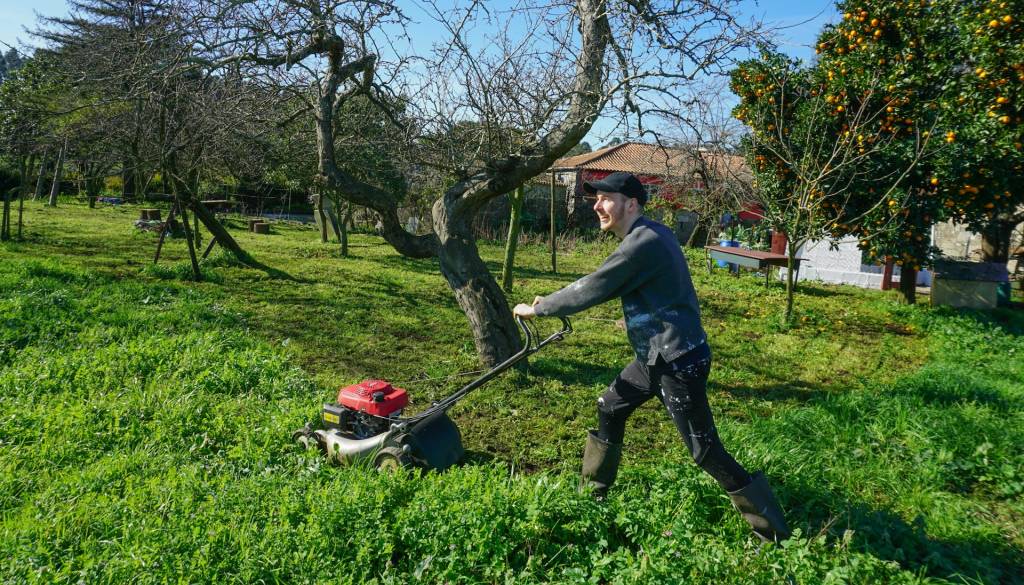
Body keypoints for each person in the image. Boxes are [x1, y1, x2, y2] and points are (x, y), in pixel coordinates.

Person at [513, 172, 790, 543]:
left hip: (677, 360)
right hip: (654, 357)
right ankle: (591, 496)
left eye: (606, 198)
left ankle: (772, 533)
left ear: (631, 203)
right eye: (595, 198)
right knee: (610, 407)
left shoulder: (642, 244)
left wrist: (541, 308)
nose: (597, 205)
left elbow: (596, 285)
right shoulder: (653, 234)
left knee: (704, 451)